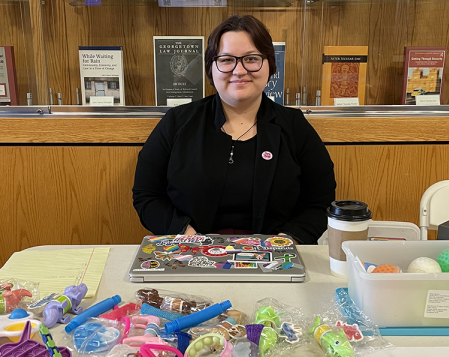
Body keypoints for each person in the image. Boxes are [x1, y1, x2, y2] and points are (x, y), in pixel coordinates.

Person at [132, 15, 336, 244]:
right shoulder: (177, 122)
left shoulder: (295, 126)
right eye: (227, 60)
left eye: (251, 58)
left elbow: (320, 201)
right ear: (211, 67)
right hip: (191, 252)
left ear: (270, 64)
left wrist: (286, 243)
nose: (239, 70)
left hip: (275, 259)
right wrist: (190, 238)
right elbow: (147, 195)